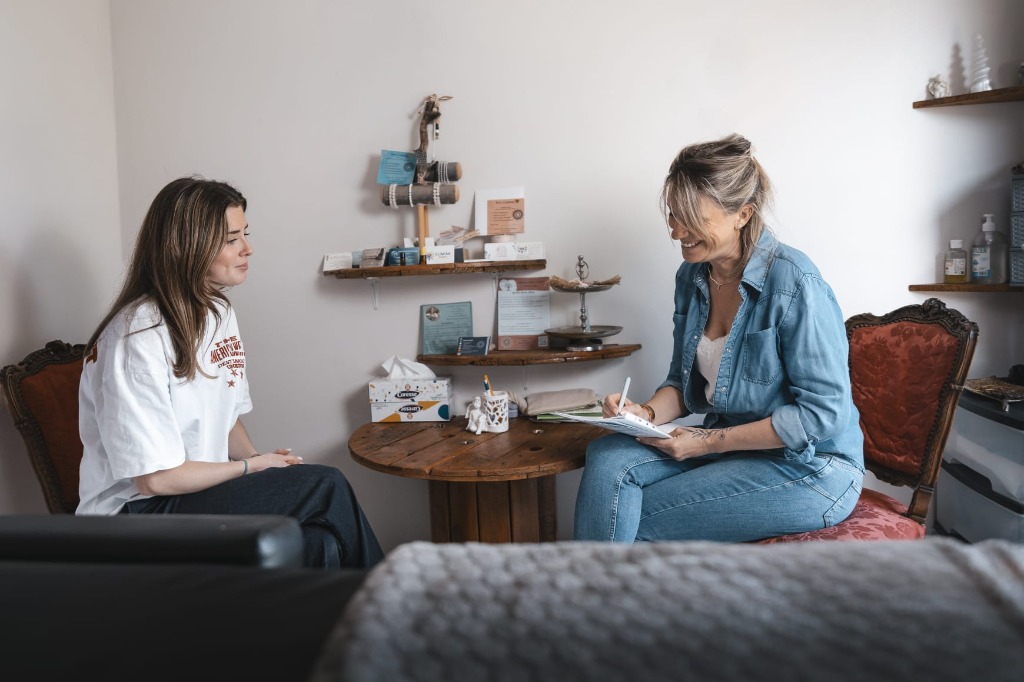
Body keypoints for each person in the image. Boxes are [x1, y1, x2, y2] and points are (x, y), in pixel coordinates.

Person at [78, 176, 384, 569]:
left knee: (318, 542)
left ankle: (345, 626)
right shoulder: (136, 335)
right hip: (136, 515)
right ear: (188, 246)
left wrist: (263, 464)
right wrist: (250, 468)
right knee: (325, 485)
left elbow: (226, 416)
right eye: (231, 239)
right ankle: (398, 613)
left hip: (194, 495)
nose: (248, 248)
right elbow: (154, 480)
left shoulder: (217, 312)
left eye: (246, 235)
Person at [573, 134, 864, 543]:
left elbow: (824, 415)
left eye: (691, 217)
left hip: (812, 467)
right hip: (736, 449)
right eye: (673, 215)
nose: (677, 232)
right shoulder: (691, 277)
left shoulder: (795, 281)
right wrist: (644, 415)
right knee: (606, 456)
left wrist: (708, 442)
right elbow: (681, 381)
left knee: (630, 516)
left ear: (742, 215)